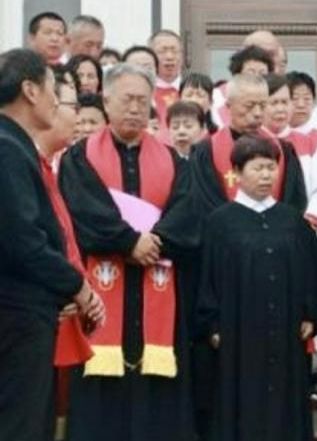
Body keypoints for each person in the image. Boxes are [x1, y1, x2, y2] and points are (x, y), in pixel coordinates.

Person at [59, 63, 200, 441]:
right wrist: (128, 243)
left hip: (159, 286)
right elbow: (82, 213)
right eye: (127, 99)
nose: (136, 108)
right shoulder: (80, 157)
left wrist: (154, 243)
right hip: (101, 292)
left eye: (143, 100)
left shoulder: (172, 160)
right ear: (106, 99)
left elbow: (187, 216)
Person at [0, 49, 103, 441]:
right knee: (20, 424)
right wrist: (75, 284)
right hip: (16, 315)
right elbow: (23, 241)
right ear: (29, 90)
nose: (56, 104)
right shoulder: (8, 149)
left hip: (25, 310)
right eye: (52, 93)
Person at [197, 135, 317, 441]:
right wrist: (212, 324)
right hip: (237, 334)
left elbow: (310, 273)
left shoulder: (292, 221)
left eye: (271, 167)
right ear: (237, 172)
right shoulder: (219, 223)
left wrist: (310, 313)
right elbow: (207, 276)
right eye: (257, 168)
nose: (266, 175)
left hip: (286, 331)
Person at [35, 69, 94, 439]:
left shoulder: (55, 167)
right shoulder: (19, 162)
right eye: (71, 106)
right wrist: (69, 288)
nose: (77, 116)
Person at [191, 73, 307, 217]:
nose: (258, 113)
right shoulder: (207, 150)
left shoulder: (283, 149)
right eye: (249, 106)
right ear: (229, 106)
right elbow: (205, 202)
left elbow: (295, 201)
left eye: (263, 105)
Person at [263, 73, 317, 226]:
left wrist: (310, 217)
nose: (281, 109)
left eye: (285, 102)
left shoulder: (311, 144)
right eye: (273, 103)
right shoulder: (248, 142)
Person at [210, 45, 274, 128]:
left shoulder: (273, 96)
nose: (256, 77)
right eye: (251, 72)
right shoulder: (218, 96)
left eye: (262, 73)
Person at [149, 30, 184, 140]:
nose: (169, 56)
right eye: (162, 51)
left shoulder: (192, 90)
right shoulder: (146, 92)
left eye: (175, 51)